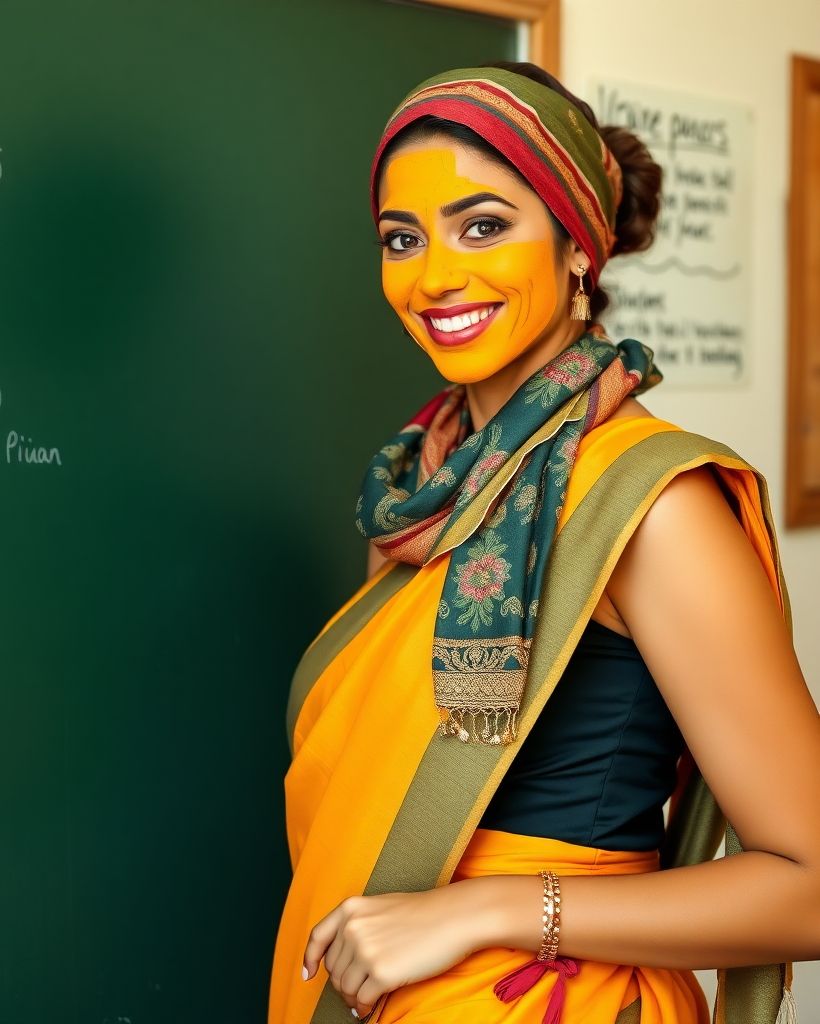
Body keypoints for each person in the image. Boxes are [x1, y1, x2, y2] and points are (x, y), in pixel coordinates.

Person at [270, 64, 820, 1024]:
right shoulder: (418, 496)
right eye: (404, 239)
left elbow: (810, 883)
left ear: (577, 248)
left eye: (484, 226)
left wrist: (490, 908)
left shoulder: (653, 506)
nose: (436, 275)